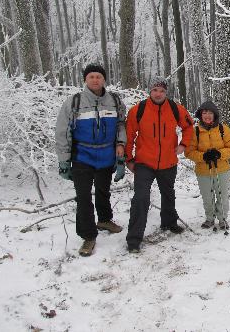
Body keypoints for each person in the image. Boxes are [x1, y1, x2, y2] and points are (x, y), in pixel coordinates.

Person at [55, 64, 127, 257]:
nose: (95, 80)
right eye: (91, 77)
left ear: (104, 79)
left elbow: (121, 124)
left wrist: (121, 148)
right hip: (82, 156)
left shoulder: (115, 100)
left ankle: (104, 219)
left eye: (99, 77)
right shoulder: (74, 102)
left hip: (106, 155)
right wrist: (64, 161)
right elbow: (62, 131)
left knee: (103, 190)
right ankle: (88, 236)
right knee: (84, 197)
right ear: (85, 80)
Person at [125, 76, 194, 253]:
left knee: (168, 193)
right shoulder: (137, 110)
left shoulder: (175, 108)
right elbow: (129, 136)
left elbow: (188, 127)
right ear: (150, 91)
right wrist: (129, 159)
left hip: (168, 161)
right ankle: (134, 240)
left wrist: (183, 145)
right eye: (155, 90)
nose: (158, 94)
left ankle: (169, 223)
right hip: (144, 163)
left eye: (162, 91)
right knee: (141, 198)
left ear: (166, 92)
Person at [185, 101, 230, 231]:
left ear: (215, 115)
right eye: (204, 113)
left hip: (222, 169)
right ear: (200, 115)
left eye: (210, 113)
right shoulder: (195, 131)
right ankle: (209, 218)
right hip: (203, 171)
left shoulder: (223, 129)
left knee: (221, 196)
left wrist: (219, 154)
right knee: (207, 196)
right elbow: (189, 152)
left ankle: (222, 219)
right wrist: (203, 156)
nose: (207, 115)